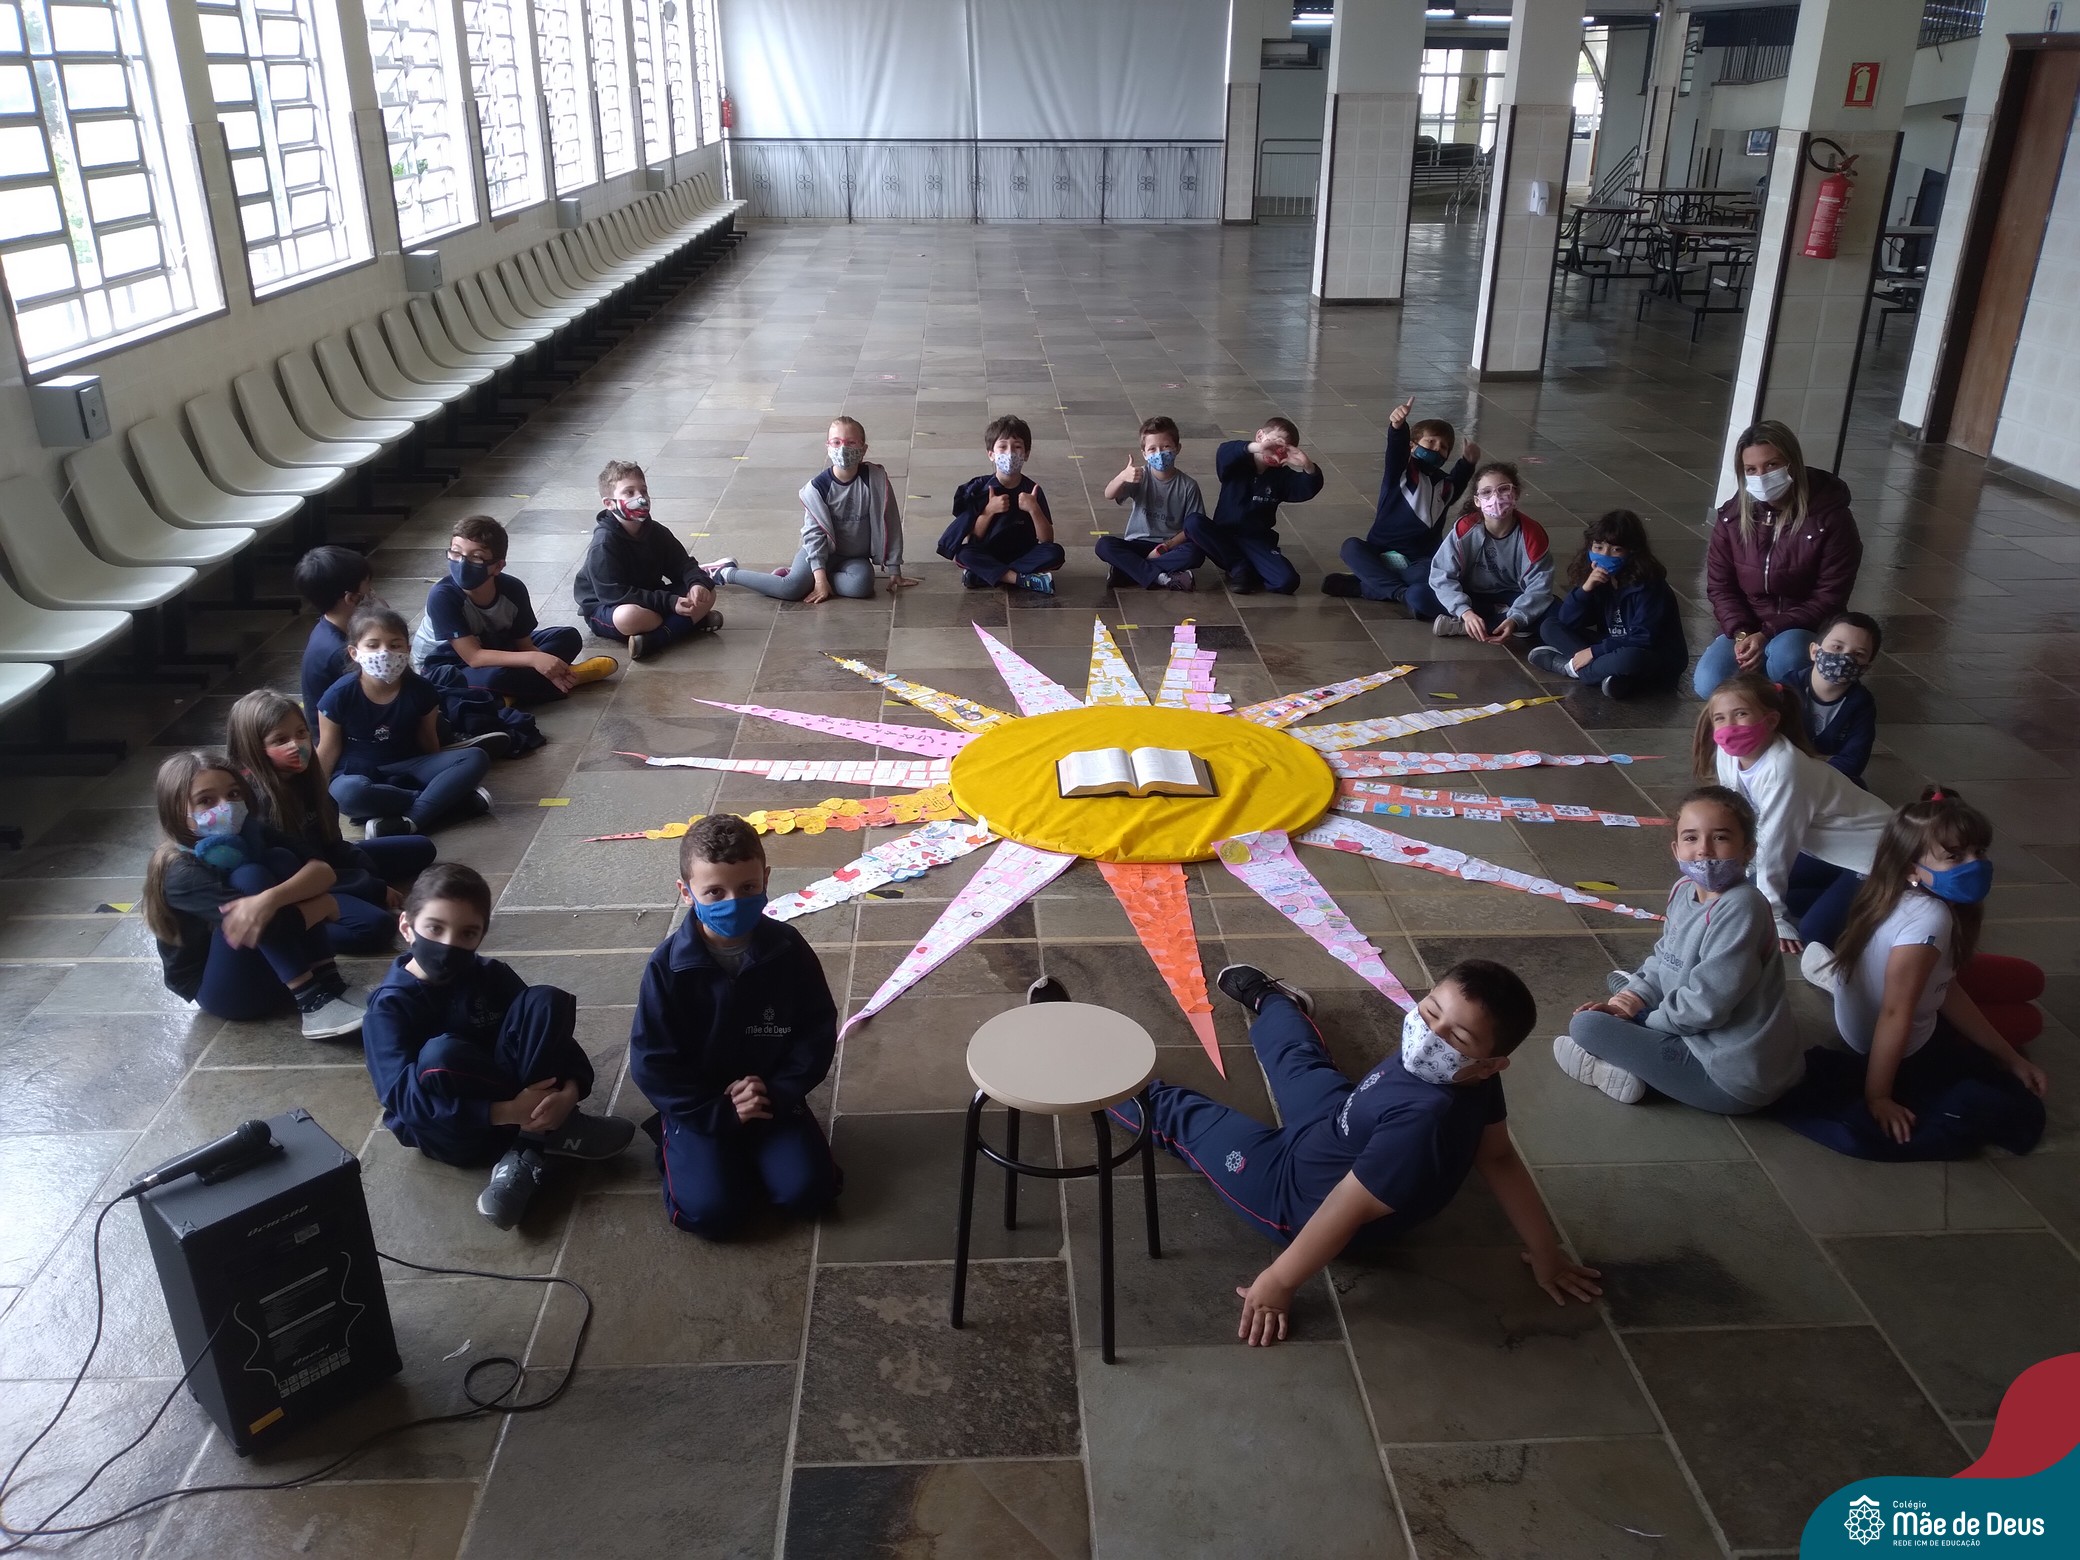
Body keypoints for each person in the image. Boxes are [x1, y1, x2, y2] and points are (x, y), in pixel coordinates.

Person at [1110, 962, 1600, 1346]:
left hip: (1292, 1194)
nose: (1430, 1036)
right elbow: (1498, 1158)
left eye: (1457, 1037)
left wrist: (1279, 1282)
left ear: (1491, 1064)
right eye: (1431, 1011)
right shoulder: (1469, 1077)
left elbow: (1346, 1207)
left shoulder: (1423, 1122)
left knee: (1184, 1118)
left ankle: (1096, 1082)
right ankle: (1276, 1002)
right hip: (1340, 1124)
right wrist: (1546, 1253)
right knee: (1300, 1061)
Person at [1777, 787, 2048, 1162]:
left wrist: (2011, 1057)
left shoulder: (1890, 892)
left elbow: (1944, 985)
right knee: (2028, 1015)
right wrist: (1879, 1096)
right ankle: (1827, 975)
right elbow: (1895, 1013)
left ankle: (1828, 973)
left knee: (2027, 986)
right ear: (1911, 868)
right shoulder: (1931, 920)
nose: (1975, 864)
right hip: (1895, 1037)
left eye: (1979, 852)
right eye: (1955, 856)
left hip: (1887, 1002)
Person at [361, 863, 635, 1229]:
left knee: (544, 1001)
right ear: (407, 927)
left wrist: (569, 1091)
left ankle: (543, 1128)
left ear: (481, 935)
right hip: (455, 1128)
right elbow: (404, 1100)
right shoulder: (389, 1007)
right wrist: (507, 1111)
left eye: (467, 933)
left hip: (513, 1092)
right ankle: (532, 1143)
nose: (449, 944)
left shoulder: (490, 974)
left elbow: (548, 1037)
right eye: (435, 928)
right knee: (442, 1054)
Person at [628, 814, 841, 1239]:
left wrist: (776, 1092)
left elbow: (816, 1031)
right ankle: (680, 1141)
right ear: (686, 892)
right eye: (715, 892)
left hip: (772, 1098)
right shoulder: (666, 967)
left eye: (747, 888)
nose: (733, 901)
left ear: (766, 879)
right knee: (712, 1214)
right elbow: (652, 1063)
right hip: (700, 1106)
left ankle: (755, 1149)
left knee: (811, 1192)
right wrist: (716, 1111)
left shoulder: (789, 949)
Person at [1555, 786, 1803, 1112]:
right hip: (1694, 1032)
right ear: (1676, 849)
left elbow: (1706, 1007)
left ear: (1748, 850)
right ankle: (1631, 1021)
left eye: (1720, 837)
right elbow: (1665, 957)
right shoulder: (1684, 888)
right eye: (1691, 838)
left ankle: (1619, 1063)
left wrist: (1641, 1019)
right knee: (1624, 998)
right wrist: (1632, 1000)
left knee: (1586, 1027)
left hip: (1730, 1076)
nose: (1704, 850)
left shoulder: (1742, 906)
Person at [141, 750, 366, 1038]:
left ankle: (329, 982)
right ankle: (311, 1001)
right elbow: (264, 928)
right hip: (229, 993)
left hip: (268, 969)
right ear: (175, 811)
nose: (226, 806)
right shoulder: (181, 871)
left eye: (233, 794)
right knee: (250, 875)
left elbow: (323, 871)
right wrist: (322, 904)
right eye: (206, 800)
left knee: (281, 859)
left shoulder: (250, 831)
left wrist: (270, 899)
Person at [226, 689, 435, 955]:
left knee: (421, 848)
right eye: (280, 740)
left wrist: (369, 880)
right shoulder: (260, 806)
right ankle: (288, 930)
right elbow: (309, 873)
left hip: (327, 865)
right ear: (254, 748)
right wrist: (373, 887)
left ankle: (355, 895)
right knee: (376, 927)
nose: (296, 745)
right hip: (300, 886)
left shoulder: (306, 780)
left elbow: (333, 844)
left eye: (301, 733)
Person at [1695, 672, 1891, 952]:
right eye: (1720, 718)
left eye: (1741, 714)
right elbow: (1739, 818)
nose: (1729, 726)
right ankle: (1843, 894)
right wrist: (1728, 871)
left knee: (1814, 932)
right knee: (1750, 889)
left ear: (1771, 720)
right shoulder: (1727, 754)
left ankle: (1891, 897)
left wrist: (1773, 915)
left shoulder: (1784, 767)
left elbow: (1775, 839)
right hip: (1829, 852)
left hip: (1877, 855)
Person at [1694, 419, 1863, 698]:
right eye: (1751, 469)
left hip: (1804, 626)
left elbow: (1829, 597)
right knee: (1709, 682)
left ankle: (1796, 695)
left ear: (1792, 464)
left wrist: (1768, 634)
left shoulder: (1831, 518)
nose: (1761, 476)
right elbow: (1721, 586)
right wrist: (1742, 634)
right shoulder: (1732, 518)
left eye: (1771, 465)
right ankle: (1765, 681)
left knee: (1787, 658)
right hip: (1749, 624)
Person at [317, 606, 496, 837]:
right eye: (373, 645)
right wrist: (315, 800)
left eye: (394, 645)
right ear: (354, 652)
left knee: (475, 757)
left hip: (410, 766)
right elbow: (328, 751)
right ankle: (445, 801)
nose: (384, 653)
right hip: (358, 773)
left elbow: (428, 741)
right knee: (349, 794)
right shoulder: (338, 695)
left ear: (407, 650)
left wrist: (441, 771)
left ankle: (410, 821)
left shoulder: (421, 689)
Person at [413, 514, 616, 704]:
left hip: (495, 646)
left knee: (568, 637)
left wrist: (539, 660)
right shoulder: (443, 595)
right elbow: (474, 658)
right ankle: (572, 677)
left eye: (476, 557)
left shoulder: (513, 589)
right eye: (456, 553)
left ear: (498, 566)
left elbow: (524, 645)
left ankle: (511, 694)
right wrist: (535, 659)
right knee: (494, 678)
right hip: (445, 666)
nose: (462, 563)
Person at [713, 417, 909, 602]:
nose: (843, 449)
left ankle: (804, 580)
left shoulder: (875, 480)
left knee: (862, 586)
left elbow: (890, 523)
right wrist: (819, 579)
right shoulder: (817, 489)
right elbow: (814, 536)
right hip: (819, 552)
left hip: (853, 558)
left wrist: (895, 571)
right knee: (790, 590)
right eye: (836, 442)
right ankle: (726, 572)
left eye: (851, 443)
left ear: (863, 449)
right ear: (828, 447)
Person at [1323, 397, 1477, 602]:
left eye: (1443, 447)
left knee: (1432, 573)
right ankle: (1401, 593)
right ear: (1412, 446)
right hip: (1380, 550)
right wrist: (1398, 426)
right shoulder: (1401, 472)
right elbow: (1396, 449)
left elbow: (1460, 478)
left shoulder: (1446, 487)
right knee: (1350, 547)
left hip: (1418, 560)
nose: (1436, 449)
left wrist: (1468, 462)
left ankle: (1366, 586)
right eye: (1431, 442)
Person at [575, 459, 726, 660]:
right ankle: (685, 624)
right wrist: (670, 603)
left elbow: (683, 564)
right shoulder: (604, 543)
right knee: (631, 616)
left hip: (650, 597)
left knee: (708, 593)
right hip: (610, 606)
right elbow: (614, 594)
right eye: (629, 492)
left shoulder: (656, 532)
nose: (641, 498)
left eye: (643, 491)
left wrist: (696, 583)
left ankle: (655, 638)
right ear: (609, 504)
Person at [1527, 509, 1688, 698]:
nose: (1605, 555)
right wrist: (1585, 589)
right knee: (1550, 625)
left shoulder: (1649, 585)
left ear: (1631, 551)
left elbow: (1642, 638)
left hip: (1650, 653)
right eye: (1598, 548)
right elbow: (1567, 620)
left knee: (1629, 659)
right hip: (1612, 644)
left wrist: (1594, 652)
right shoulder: (1599, 578)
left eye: (1616, 550)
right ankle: (1608, 675)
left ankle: (1570, 668)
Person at [1408, 462, 1555, 641]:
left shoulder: (1532, 535)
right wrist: (1465, 612)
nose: (1496, 497)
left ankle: (1472, 626)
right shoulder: (1465, 529)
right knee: (1417, 595)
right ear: (1477, 501)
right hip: (1472, 594)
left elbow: (1539, 588)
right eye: (1486, 492)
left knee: (1557, 611)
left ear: (1515, 493)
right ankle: (1492, 621)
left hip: (1513, 595)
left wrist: (1516, 618)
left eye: (1504, 489)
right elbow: (1441, 575)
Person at [1181, 418, 1322, 596]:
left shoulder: (1282, 477)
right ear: (1260, 435)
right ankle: (1239, 566)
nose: (1276, 451)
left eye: (1283, 448)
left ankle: (1247, 568)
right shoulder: (1236, 463)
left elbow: (1306, 488)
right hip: (1223, 535)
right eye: (1275, 442)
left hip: (1256, 540)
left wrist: (1307, 465)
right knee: (1193, 522)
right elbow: (1225, 451)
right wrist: (1258, 447)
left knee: (1287, 581)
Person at [940, 415, 1064, 593]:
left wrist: (1034, 509)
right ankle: (1021, 579)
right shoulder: (980, 488)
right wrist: (989, 511)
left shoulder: (1033, 490)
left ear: (1026, 454)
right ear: (991, 454)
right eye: (1003, 447)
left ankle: (985, 575)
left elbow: (1047, 539)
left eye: (1017, 447)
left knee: (1055, 552)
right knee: (964, 553)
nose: (1010, 453)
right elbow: (974, 538)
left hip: (1023, 553)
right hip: (989, 551)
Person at [1095, 415, 1206, 591]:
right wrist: (1122, 477)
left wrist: (1166, 546)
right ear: (1144, 454)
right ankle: (1162, 578)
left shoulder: (1188, 486)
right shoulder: (1139, 476)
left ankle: (1128, 571)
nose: (1159, 453)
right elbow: (1109, 494)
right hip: (1137, 543)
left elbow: (1191, 529)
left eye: (1166, 447)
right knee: (1104, 545)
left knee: (1195, 554)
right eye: (1152, 449)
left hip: (1169, 545)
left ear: (1177, 448)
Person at [294, 545, 372, 732]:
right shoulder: (342, 652)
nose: (371, 591)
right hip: (343, 740)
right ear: (351, 598)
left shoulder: (327, 626)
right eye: (368, 584)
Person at [1800, 612, 1881, 783]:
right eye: (1837, 647)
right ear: (1814, 651)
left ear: (1865, 668)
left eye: (1858, 654)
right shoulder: (1786, 689)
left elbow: (1854, 761)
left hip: (1830, 782)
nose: (1845, 658)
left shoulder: (1862, 704)